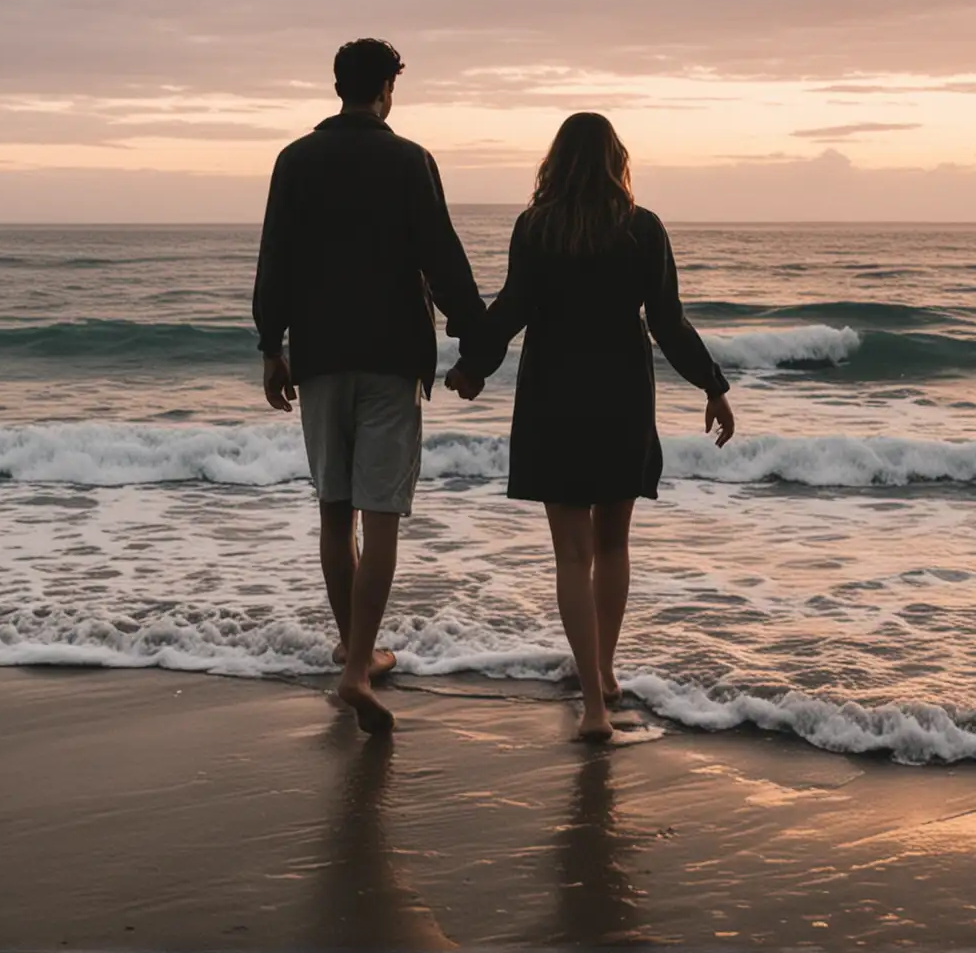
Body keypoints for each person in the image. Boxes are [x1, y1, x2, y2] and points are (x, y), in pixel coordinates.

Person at [445, 112, 735, 743]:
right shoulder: (642, 229)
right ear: (616, 161)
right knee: (613, 547)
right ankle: (603, 674)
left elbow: (512, 309)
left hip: (553, 397)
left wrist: (473, 367)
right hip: (622, 398)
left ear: (557, 162)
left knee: (572, 556)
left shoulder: (536, 227)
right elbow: (669, 324)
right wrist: (712, 385)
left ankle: (595, 709)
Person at [253, 37, 490, 735]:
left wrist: (273, 345)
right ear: (387, 87)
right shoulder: (410, 160)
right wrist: (474, 345)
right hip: (390, 358)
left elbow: (276, 259)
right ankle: (360, 664)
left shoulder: (294, 160)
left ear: (337, 86)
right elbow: (443, 259)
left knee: (335, 511)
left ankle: (353, 651)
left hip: (320, 357)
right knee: (380, 514)